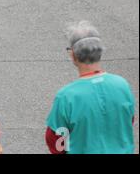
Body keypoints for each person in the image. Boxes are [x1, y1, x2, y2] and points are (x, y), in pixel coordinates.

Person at [46, 21, 135, 154]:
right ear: (100, 51)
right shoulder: (122, 85)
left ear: (73, 55)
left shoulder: (67, 96)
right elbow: (129, 120)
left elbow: (55, 139)